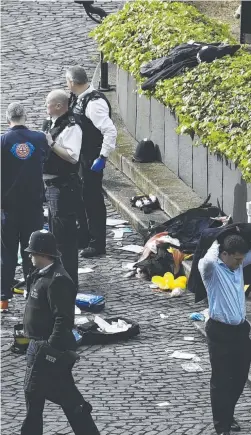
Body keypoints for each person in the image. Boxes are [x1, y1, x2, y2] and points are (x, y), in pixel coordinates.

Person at [21, 230, 100, 435]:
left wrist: (50, 347)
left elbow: (63, 318)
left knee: (37, 393)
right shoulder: (42, 274)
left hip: (47, 348)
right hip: (38, 345)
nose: (30, 256)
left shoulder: (58, 280)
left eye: (33, 252)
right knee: (55, 396)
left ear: (43, 254)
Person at [198, 234, 251, 435]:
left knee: (239, 378)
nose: (240, 264)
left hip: (240, 330)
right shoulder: (212, 270)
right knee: (221, 380)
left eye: (242, 259)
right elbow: (209, 259)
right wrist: (218, 237)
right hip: (219, 331)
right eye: (237, 259)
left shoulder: (236, 264)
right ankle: (223, 427)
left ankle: (227, 414)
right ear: (225, 254)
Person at [1, 102, 48, 312]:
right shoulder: (39, 138)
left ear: (7, 118)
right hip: (33, 205)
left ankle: (3, 297)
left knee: (7, 252)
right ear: (25, 117)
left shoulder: (2, 140)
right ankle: (32, 292)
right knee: (33, 251)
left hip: (8, 207)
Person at [66, 65, 117, 258]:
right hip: (80, 156)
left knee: (92, 201)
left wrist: (103, 157)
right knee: (80, 198)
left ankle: (97, 243)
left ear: (71, 82)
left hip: (91, 157)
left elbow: (110, 130)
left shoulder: (94, 103)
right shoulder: (78, 98)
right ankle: (84, 236)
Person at [43, 89, 82, 288]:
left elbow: (72, 156)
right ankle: (58, 276)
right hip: (51, 186)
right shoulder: (52, 122)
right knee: (54, 233)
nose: (45, 107)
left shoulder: (72, 127)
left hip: (63, 187)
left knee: (64, 237)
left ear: (59, 106)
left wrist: (51, 144)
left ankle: (68, 281)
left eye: (48, 103)